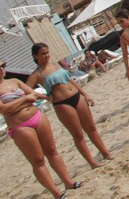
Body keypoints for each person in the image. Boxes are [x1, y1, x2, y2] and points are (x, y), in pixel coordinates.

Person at [1, 60, 82, 199]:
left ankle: (68, 182)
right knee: (38, 160)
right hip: (20, 126)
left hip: (37, 116)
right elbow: (4, 109)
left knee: (52, 151)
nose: (1, 69)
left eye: (2, 66)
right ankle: (56, 193)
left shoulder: (14, 81)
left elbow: (34, 95)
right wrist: (25, 99)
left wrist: (46, 96)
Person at [27, 43, 112, 168]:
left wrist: (85, 94)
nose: (46, 55)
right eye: (43, 54)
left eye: (47, 52)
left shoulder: (55, 65)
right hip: (62, 103)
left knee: (91, 128)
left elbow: (70, 80)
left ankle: (106, 153)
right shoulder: (36, 74)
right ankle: (92, 162)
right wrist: (44, 97)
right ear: (35, 56)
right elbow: (26, 91)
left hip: (77, 96)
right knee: (78, 135)